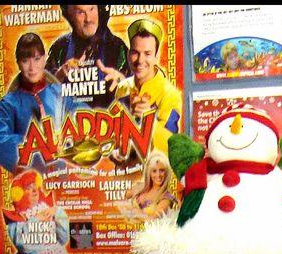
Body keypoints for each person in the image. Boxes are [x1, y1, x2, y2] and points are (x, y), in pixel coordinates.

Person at [0, 32, 76, 173]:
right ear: (18, 63)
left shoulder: (59, 93)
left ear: (44, 59)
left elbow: (84, 117)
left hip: (65, 178)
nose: (32, 68)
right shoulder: (9, 104)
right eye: (25, 61)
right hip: (31, 181)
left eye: (37, 59)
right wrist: (39, 143)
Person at [114, 18, 181, 153]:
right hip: (125, 169)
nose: (140, 60)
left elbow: (171, 145)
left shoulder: (170, 94)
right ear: (128, 54)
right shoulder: (122, 88)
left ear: (156, 56)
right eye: (135, 52)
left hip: (154, 170)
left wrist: (148, 121)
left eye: (147, 54)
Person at [46, 5, 128, 109]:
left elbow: (139, 97)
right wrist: (58, 77)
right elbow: (41, 97)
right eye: (80, 12)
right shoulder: (60, 48)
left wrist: (125, 83)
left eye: (91, 9)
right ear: (70, 15)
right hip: (69, 122)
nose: (88, 19)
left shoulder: (117, 47)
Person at [3, 169, 72, 254]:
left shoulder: (46, 208)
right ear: (20, 194)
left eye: (35, 186)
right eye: (28, 188)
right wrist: (36, 219)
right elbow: (28, 250)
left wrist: (57, 213)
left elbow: (63, 238)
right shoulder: (17, 219)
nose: (35, 190)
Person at [126, 150, 176, 218]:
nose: (158, 175)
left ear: (166, 172)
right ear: (149, 172)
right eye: (154, 171)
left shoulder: (167, 198)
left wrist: (136, 212)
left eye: (161, 170)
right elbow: (118, 199)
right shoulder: (140, 186)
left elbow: (153, 220)